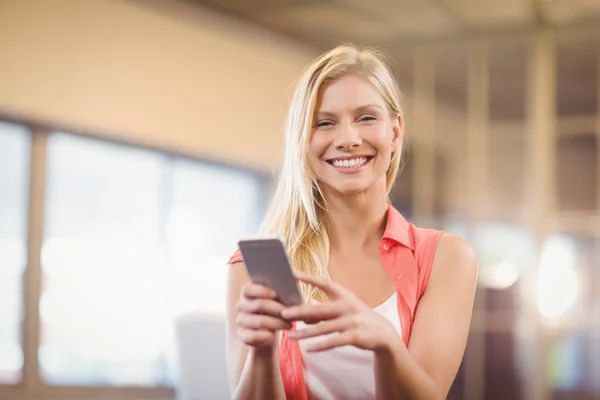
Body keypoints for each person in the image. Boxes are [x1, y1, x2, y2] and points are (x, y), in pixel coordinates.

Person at [225, 43, 478, 400]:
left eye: (366, 117)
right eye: (325, 123)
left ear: (395, 131)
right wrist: (262, 350)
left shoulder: (447, 258)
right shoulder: (253, 268)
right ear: (303, 141)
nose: (347, 139)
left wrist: (385, 343)